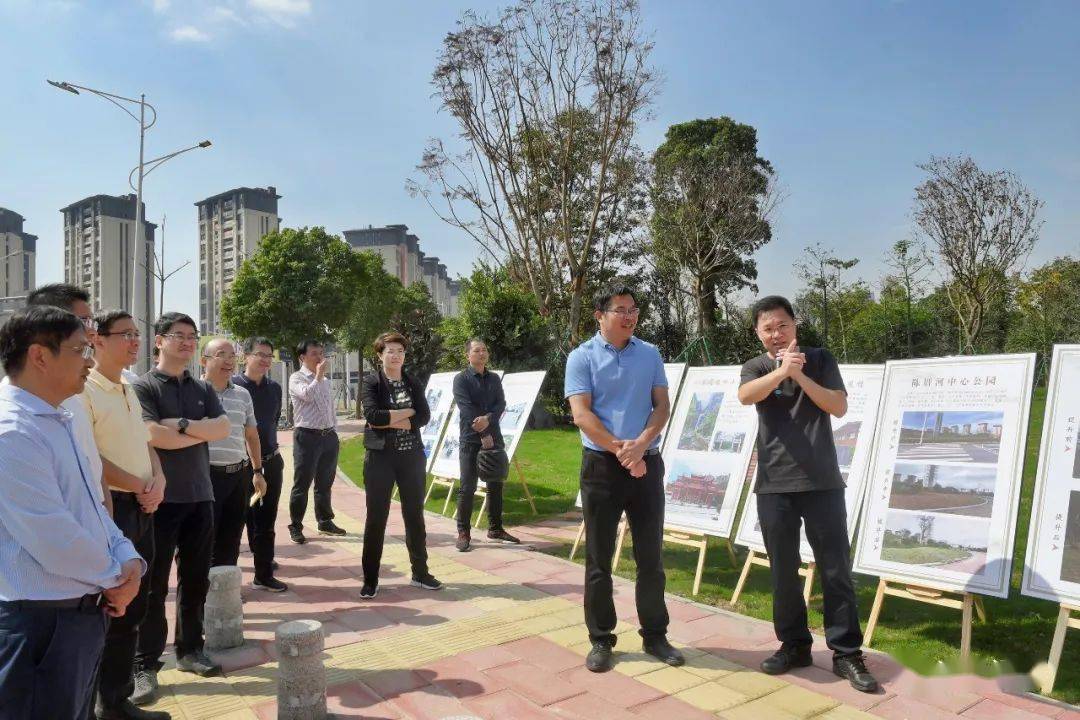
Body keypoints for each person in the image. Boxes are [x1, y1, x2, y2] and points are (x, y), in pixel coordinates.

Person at [0, 306, 145, 719]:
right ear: (39, 356)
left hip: (81, 610)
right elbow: (53, 537)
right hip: (41, 624)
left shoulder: (59, 418)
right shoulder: (13, 431)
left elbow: (92, 508)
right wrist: (118, 576)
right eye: (81, 349)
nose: (90, 360)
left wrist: (128, 558)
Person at [737, 295, 878, 693]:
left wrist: (798, 375)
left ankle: (846, 653)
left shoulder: (820, 359)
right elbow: (747, 396)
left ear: (795, 324)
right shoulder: (756, 366)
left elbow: (838, 407)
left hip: (823, 483)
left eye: (782, 325)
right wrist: (781, 372)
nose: (776, 334)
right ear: (758, 334)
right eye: (768, 328)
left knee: (835, 570)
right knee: (783, 571)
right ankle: (794, 645)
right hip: (774, 485)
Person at [564, 284, 682, 673]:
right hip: (602, 466)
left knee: (651, 556)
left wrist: (641, 445)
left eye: (633, 309)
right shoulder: (580, 357)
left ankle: (656, 635)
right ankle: (601, 639)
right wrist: (621, 450)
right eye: (620, 309)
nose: (630, 316)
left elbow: (661, 405)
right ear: (600, 315)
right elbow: (582, 415)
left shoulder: (650, 354)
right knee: (599, 557)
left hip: (646, 463)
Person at [132, 313, 230, 703]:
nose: (188, 342)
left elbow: (222, 429)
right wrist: (195, 429)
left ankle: (190, 649)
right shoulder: (143, 387)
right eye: (179, 336)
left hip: (200, 495)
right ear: (159, 341)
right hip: (160, 500)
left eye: (192, 336)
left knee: (195, 581)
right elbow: (153, 436)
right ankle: (145, 664)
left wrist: (183, 425)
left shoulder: (203, 387)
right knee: (153, 587)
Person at [82, 310, 171, 720]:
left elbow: (144, 442)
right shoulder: (83, 389)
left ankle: (117, 701)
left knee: (138, 603)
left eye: (138, 334)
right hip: (112, 511)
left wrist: (158, 478)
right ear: (97, 339)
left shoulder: (128, 389)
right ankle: (100, 702)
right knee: (112, 606)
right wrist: (139, 486)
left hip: (142, 506)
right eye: (125, 335)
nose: (135, 342)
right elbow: (89, 458)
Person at [359, 332, 442, 598]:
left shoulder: (412, 381)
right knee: (376, 518)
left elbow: (425, 416)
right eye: (390, 351)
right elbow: (373, 417)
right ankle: (370, 578)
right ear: (380, 355)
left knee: (415, 516)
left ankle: (420, 572)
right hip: (380, 458)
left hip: (411, 457)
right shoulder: (371, 382)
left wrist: (392, 419)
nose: (396, 356)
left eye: (400, 351)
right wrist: (408, 413)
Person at [22, 283, 111, 514]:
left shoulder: (72, 393)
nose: (92, 332)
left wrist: (106, 518)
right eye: (84, 322)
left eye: (94, 322)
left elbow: (91, 464)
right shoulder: (16, 421)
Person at [201, 339, 267, 568]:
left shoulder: (242, 395)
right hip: (204, 477)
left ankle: (226, 592)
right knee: (202, 540)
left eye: (232, 356)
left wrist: (257, 471)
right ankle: (202, 595)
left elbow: (251, 436)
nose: (229, 361)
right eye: (222, 354)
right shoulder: (193, 393)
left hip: (238, 477)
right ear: (204, 360)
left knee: (231, 539)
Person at [452, 338, 519, 551]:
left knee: (495, 483)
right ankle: (463, 532)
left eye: (484, 350)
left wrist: (489, 419)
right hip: (470, 438)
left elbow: (501, 403)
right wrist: (480, 426)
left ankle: (495, 528)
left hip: (493, 436)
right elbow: (465, 407)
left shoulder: (494, 379)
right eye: (477, 350)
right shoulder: (461, 379)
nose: (482, 353)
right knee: (467, 486)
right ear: (468, 355)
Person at [233, 337, 288, 592]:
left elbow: (272, 422)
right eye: (260, 354)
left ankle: (263, 574)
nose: (266, 360)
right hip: (241, 467)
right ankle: (229, 585)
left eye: (269, 355)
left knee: (267, 520)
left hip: (271, 462)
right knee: (237, 523)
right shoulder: (232, 387)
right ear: (246, 356)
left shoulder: (274, 388)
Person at [288, 339, 345, 544]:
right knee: (302, 483)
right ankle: (296, 525)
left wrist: (334, 432)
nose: (320, 357)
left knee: (325, 483)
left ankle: (325, 521)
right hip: (307, 437)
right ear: (302, 357)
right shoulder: (297, 378)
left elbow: (330, 408)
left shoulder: (326, 381)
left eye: (321, 353)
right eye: (314, 354)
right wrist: (319, 376)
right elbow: (307, 396)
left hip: (328, 436)